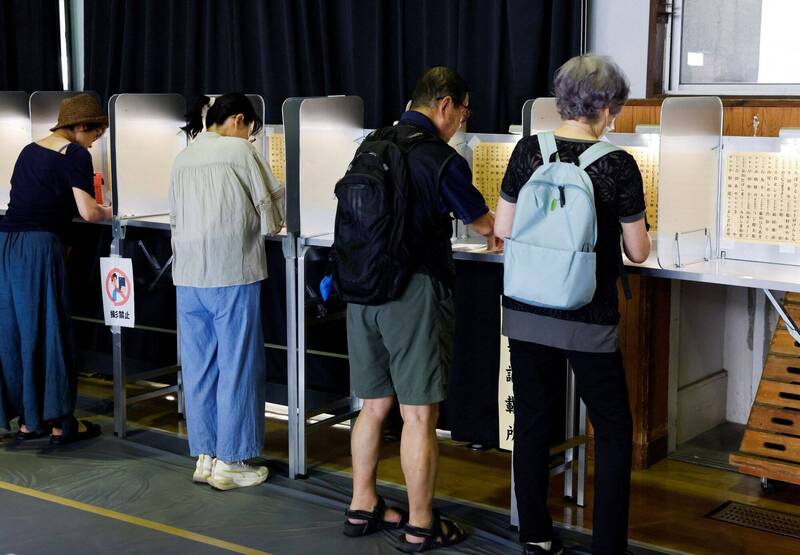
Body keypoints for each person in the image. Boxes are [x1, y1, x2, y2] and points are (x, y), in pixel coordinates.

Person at [494, 54, 651, 555]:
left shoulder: (527, 151)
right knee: (612, 427)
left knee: (534, 420)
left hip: (527, 307)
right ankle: (607, 546)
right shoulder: (617, 164)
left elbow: (502, 230)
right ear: (604, 106)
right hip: (588, 313)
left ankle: (535, 535)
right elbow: (638, 250)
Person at [342, 67, 496, 552]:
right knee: (418, 416)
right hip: (412, 293)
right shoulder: (437, 158)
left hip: (360, 289)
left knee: (372, 407)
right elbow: (483, 221)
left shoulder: (371, 144)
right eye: (465, 111)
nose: (463, 121)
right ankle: (421, 523)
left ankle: (362, 505)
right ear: (445, 104)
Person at [170, 93, 285, 491]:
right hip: (232, 270)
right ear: (239, 120)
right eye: (251, 128)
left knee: (200, 367)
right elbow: (271, 213)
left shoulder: (184, 156)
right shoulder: (239, 151)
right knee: (237, 364)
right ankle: (232, 461)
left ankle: (205, 456)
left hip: (187, 275)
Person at [0, 93, 111, 444]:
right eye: (95, 133)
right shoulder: (74, 153)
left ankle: (28, 420)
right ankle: (61, 422)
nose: (95, 141)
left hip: (6, 245)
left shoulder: (30, 150)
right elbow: (90, 212)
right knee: (49, 330)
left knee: (15, 332)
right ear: (79, 127)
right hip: (38, 247)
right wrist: (114, 210)